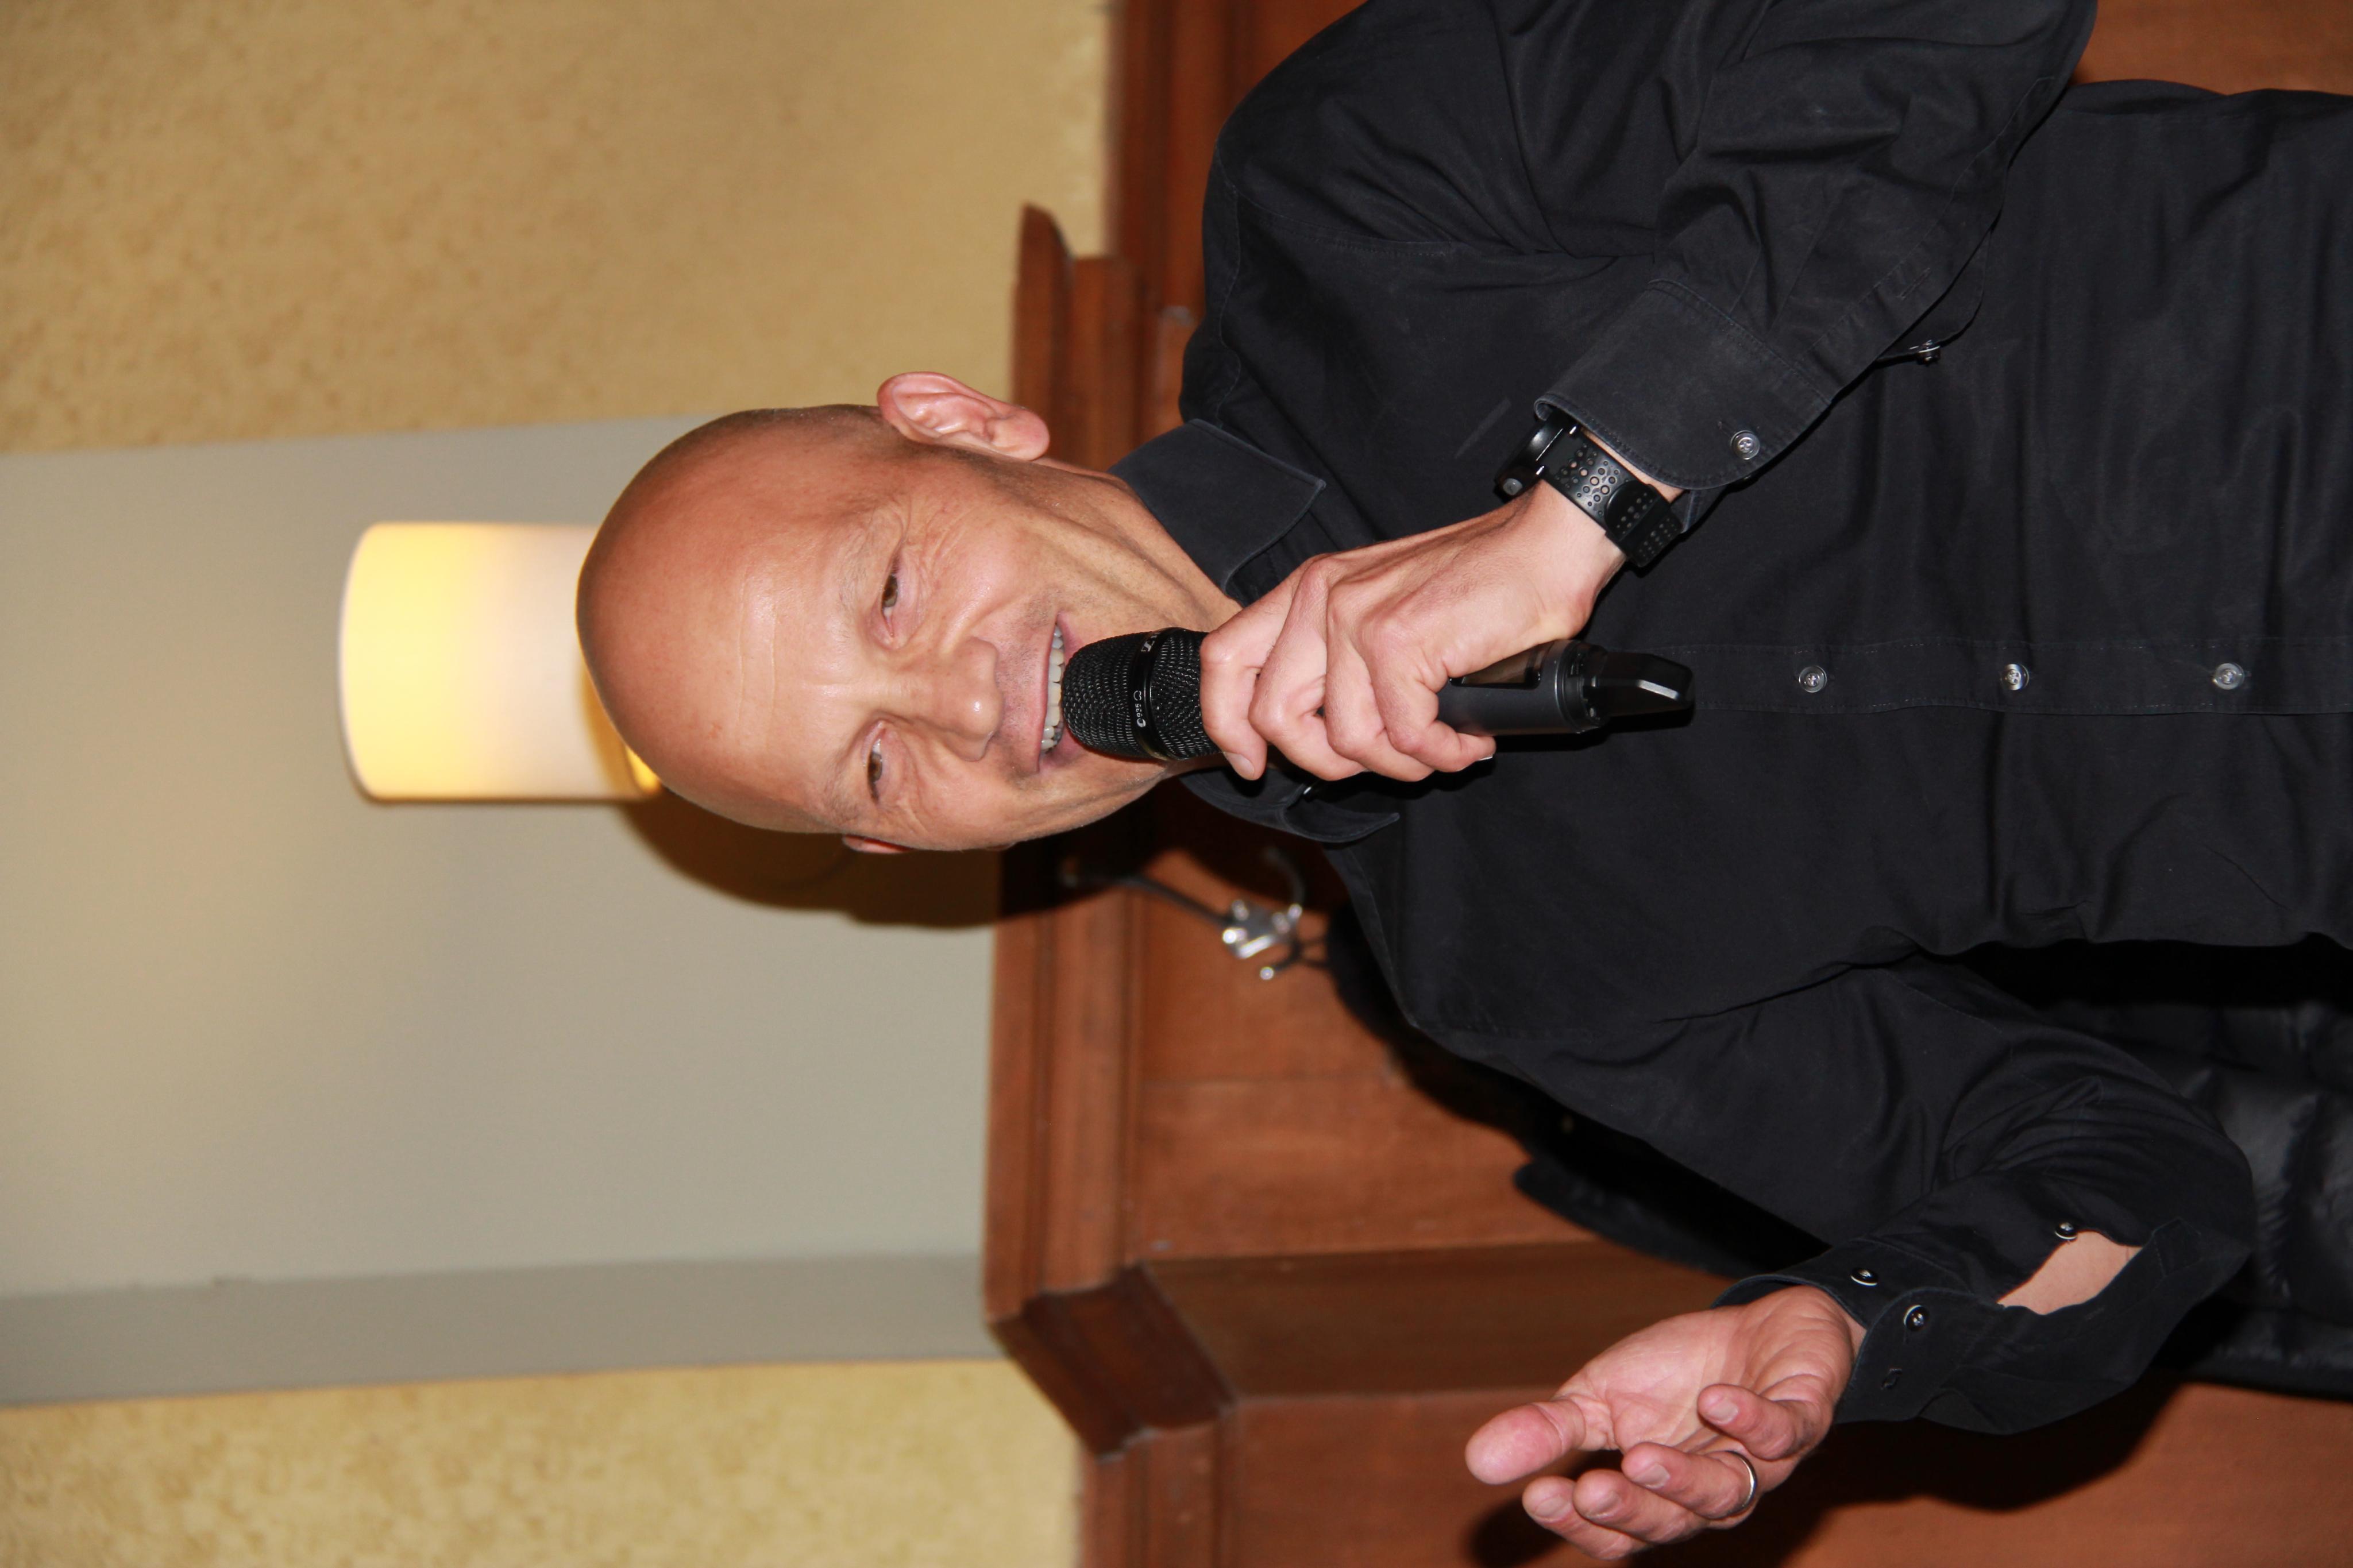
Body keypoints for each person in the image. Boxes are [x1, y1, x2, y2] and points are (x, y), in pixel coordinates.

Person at [577, 0, 2353, 1554]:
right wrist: (1850, 1328)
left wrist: (1581, 502)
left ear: (962, 424)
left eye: (892, 593)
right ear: (903, 847)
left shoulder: (1335, 191)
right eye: (876, 761)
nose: (967, 703)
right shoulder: (1507, 979)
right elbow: (2144, 1187)